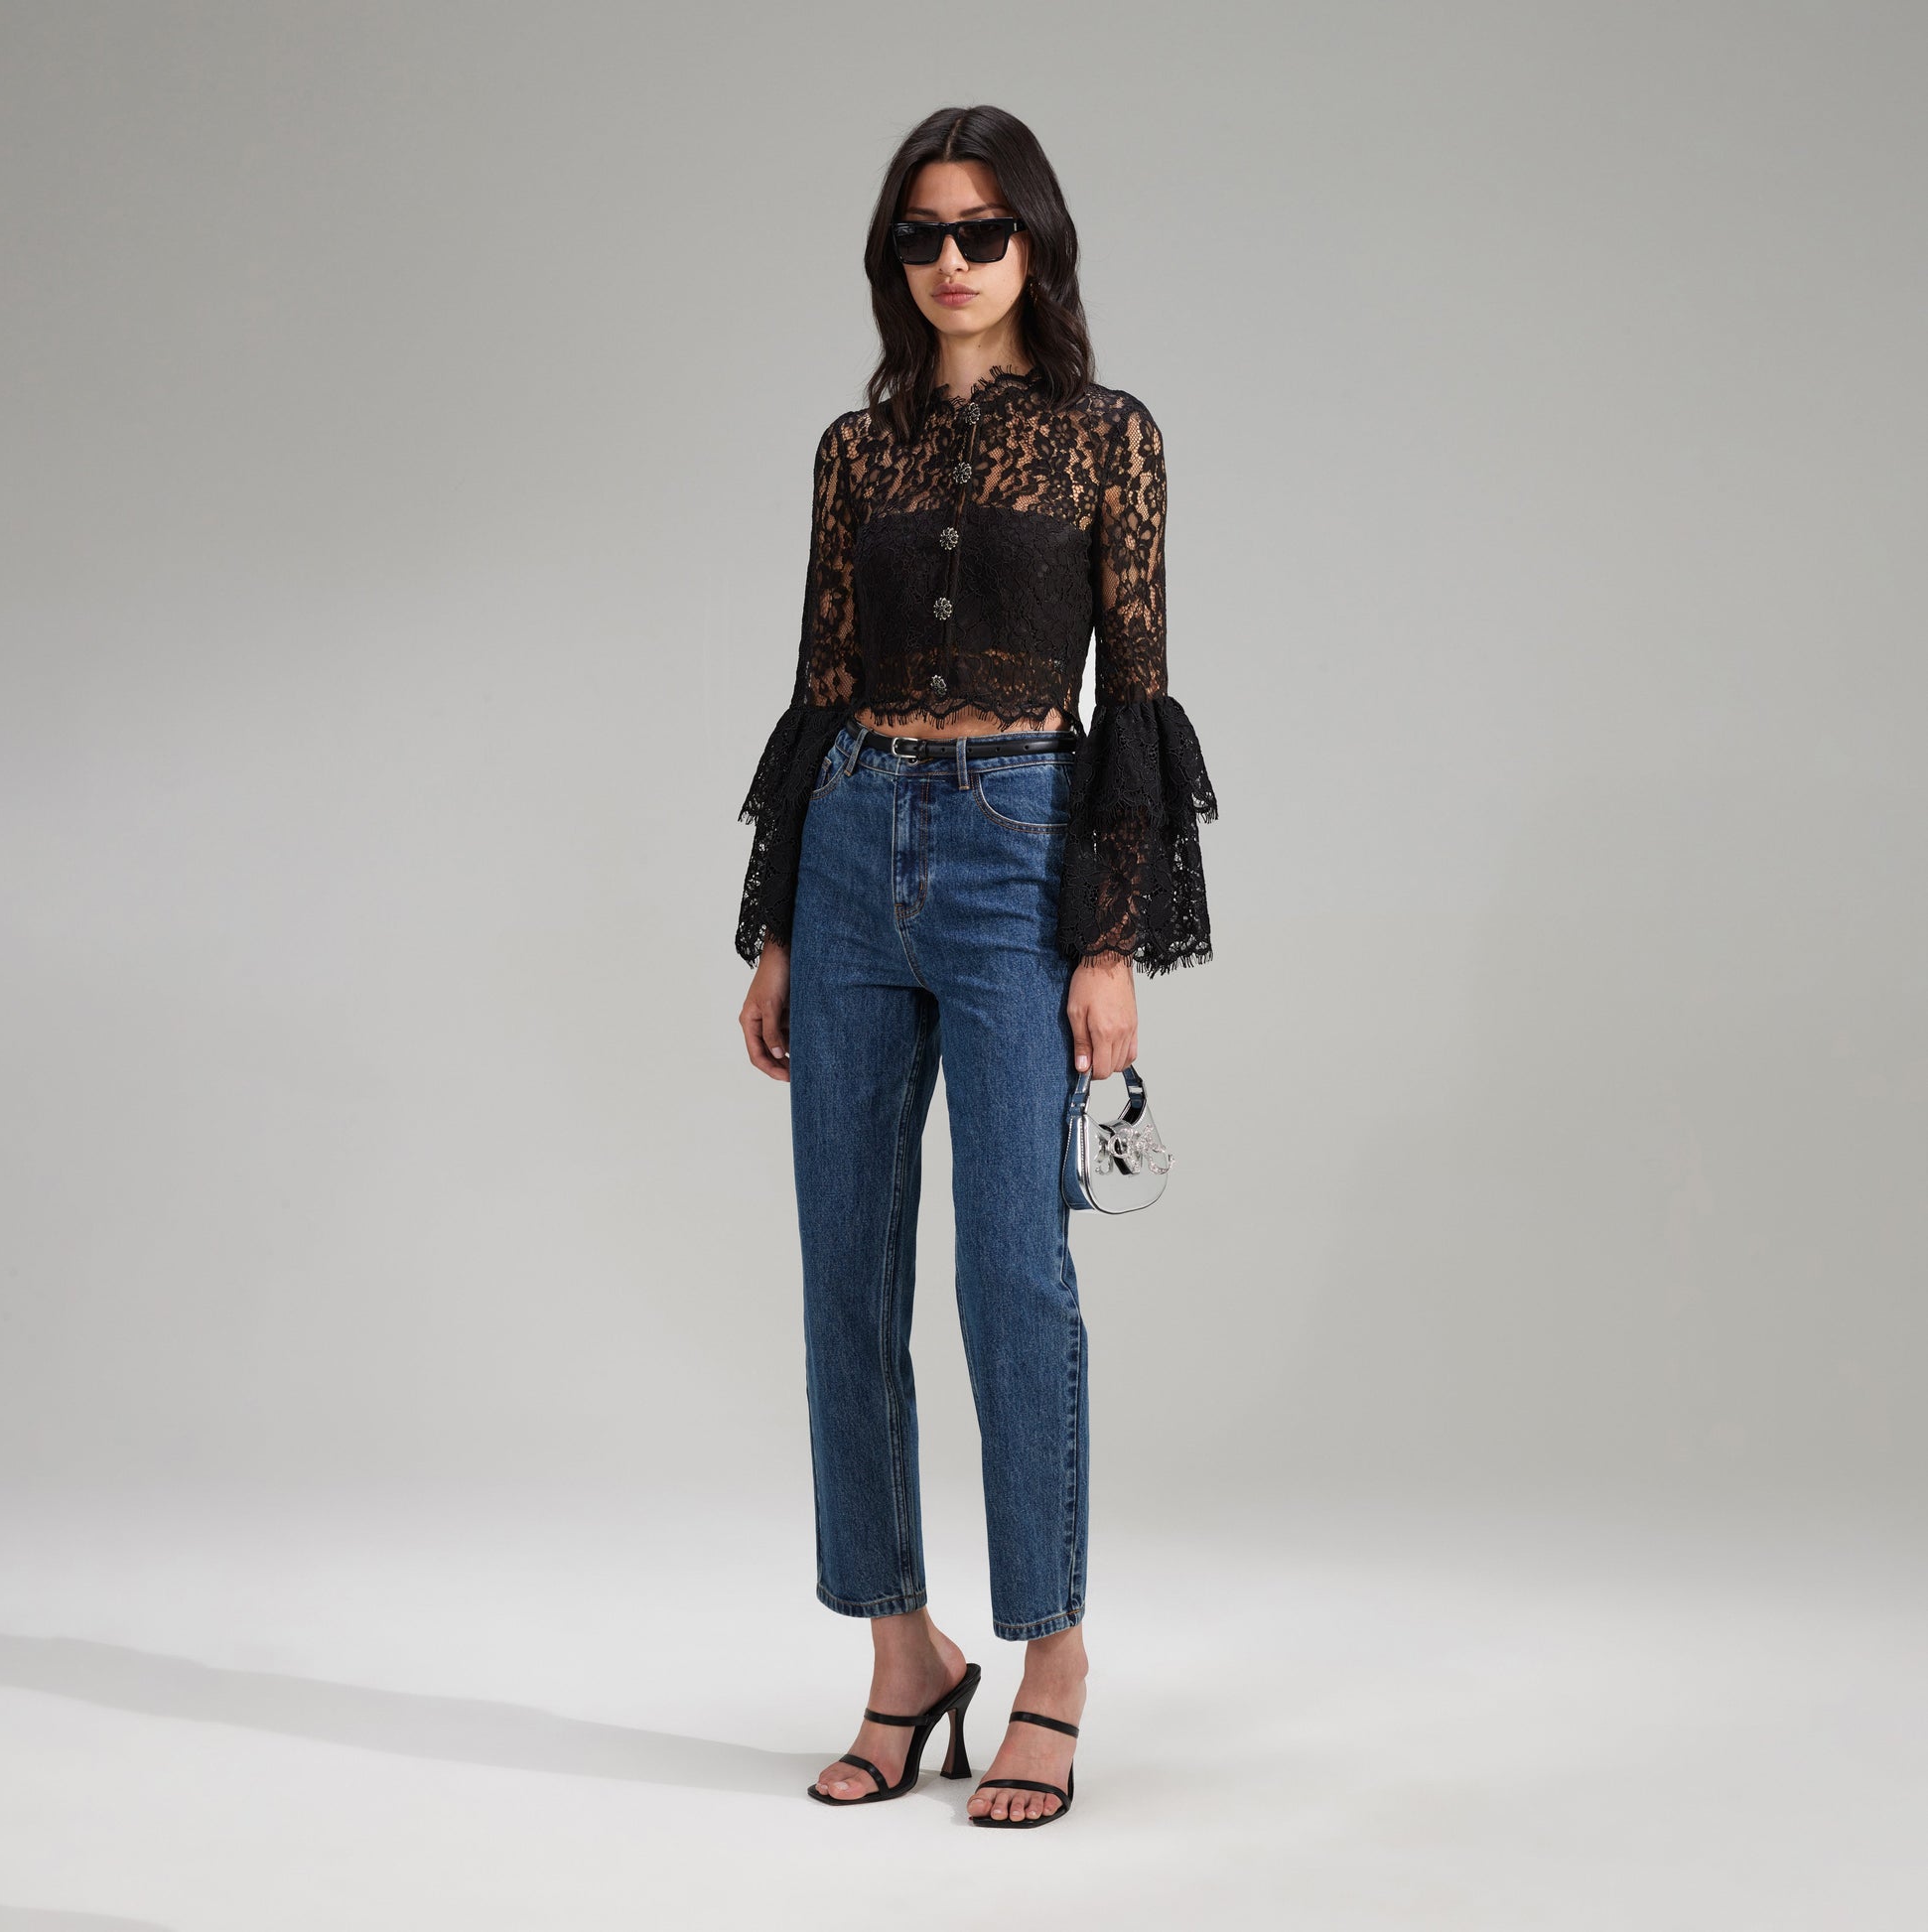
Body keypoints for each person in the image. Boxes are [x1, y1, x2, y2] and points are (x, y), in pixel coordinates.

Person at [734, 104, 1219, 1829]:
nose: (951, 261)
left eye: (981, 230)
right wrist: (779, 924)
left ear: (1035, 245)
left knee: (1014, 1270)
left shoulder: (1106, 439)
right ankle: (900, 1652)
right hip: (855, 841)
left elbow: (1132, 691)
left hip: (1020, 840)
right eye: (921, 235)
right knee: (843, 1276)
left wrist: (1110, 937)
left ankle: (1051, 1662)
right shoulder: (853, 451)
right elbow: (818, 685)